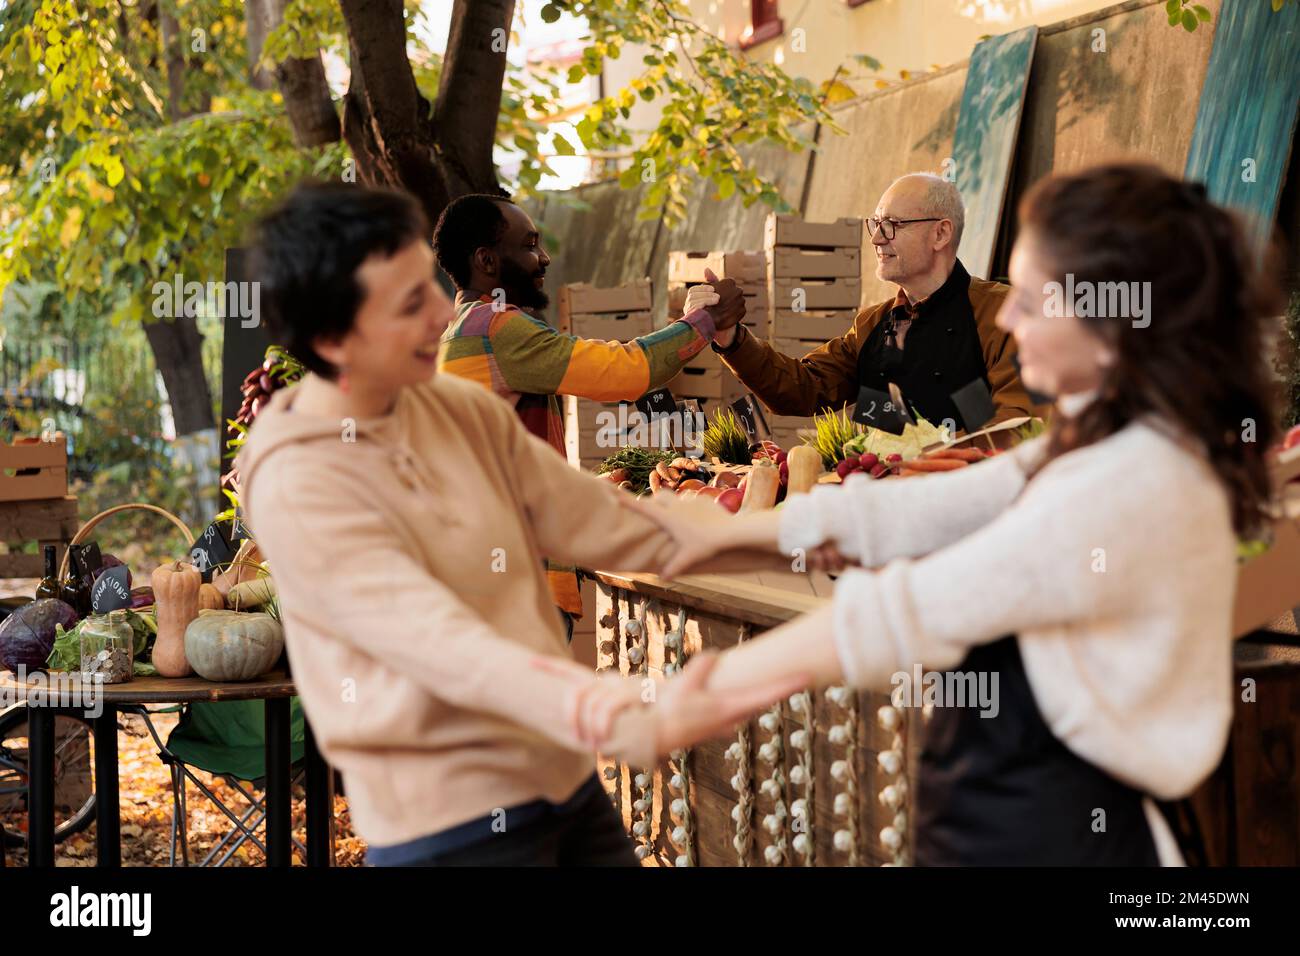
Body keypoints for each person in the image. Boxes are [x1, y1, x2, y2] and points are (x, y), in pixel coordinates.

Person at [570, 163, 1284, 866]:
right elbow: (919, 510)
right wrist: (726, 532)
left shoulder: (1126, 483)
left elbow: (911, 609)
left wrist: (698, 699)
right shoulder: (1112, 441)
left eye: (1032, 297)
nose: (1010, 315)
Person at [237, 182, 804, 866]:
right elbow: (438, 642)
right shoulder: (298, 479)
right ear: (331, 337)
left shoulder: (454, 407)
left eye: (429, 288)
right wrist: (606, 709)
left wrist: (820, 536)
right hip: (451, 831)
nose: (437, 317)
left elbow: (611, 523)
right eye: (408, 304)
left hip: (565, 788)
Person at [432, 193, 747, 627]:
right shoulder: (497, 327)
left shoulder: (457, 336)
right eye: (528, 245)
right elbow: (626, 371)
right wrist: (706, 322)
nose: (542, 258)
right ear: (486, 261)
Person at [704, 173, 1043, 431]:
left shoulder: (1001, 313)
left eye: (893, 225)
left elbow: (1018, 427)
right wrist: (732, 338)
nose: (878, 239)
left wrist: (934, 460)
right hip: (878, 502)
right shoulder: (873, 325)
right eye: (877, 224)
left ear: (941, 233)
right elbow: (803, 389)